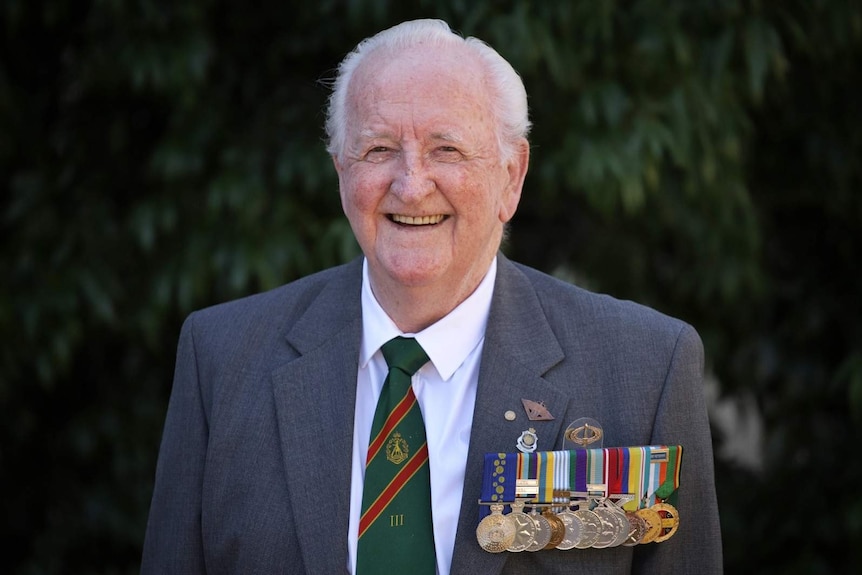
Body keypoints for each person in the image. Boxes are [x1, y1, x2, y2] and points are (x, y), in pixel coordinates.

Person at [142, 19, 722, 575]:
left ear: (512, 177)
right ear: (341, 171)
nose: (412, 184)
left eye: (446, 149)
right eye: (378, 150)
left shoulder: (645, 368)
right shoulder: (222, 359)